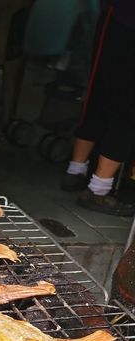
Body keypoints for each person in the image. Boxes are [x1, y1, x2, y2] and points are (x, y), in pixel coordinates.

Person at [61, 0, 135, 216]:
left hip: (117, 18)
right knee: (126, 107)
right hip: (126, 20)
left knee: (99, 96)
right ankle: (98, 190)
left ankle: (75, 171)